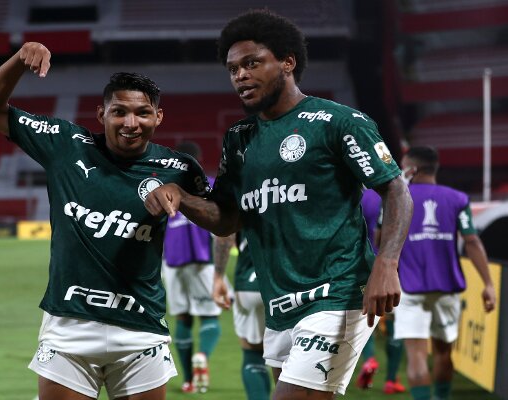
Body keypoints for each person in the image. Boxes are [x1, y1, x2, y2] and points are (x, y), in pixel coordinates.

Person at [144, 9, 413, 400]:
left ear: (288, 62)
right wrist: (182, 197)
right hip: (279, 305)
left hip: (337, 293)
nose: (240, 76)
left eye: (252, 63)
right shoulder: (239, 138)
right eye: (233, 68)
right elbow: (226, 220)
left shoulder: (337, 122)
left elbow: (396, 190)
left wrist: (387, 264)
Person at [0, 42, 211, 400]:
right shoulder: (67, 145)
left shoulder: (180, 169)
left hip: (141, 330)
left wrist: (185, 196)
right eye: (120, 112)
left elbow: (224, 221)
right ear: (101, 114)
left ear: (158, 117)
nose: (131, 123)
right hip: (70, 326)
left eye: (143, 113)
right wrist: (20, 60)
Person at [393, 146, 496, 400]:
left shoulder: (398, 197)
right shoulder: (457, 199)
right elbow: (472, 241)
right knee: (443, 353)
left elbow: (381, 238)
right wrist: (488, 283)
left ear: (412, 169)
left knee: (416, 354)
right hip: (447, 286)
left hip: (409, 286)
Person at [162, 141, 222, 394]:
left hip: (172, 262)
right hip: (202, 261)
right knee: (210, 317)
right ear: (197, 159)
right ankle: (202, 354)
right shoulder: (208, 184)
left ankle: (188, 380)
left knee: (183, 318)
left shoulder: (162, 189)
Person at [356, 189, 406, 394]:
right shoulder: (389, 194)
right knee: (395, 323)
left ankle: (369, 359)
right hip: (392, 268)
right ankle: (391, 379)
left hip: (361, 266)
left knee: (366, 319)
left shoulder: (354, 195)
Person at [214, 232, 271, 400]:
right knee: (294, 359)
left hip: (250, 284)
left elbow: (224, 233)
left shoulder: (242, 203)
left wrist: (218, 277)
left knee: (253, 355)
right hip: (293, 285)